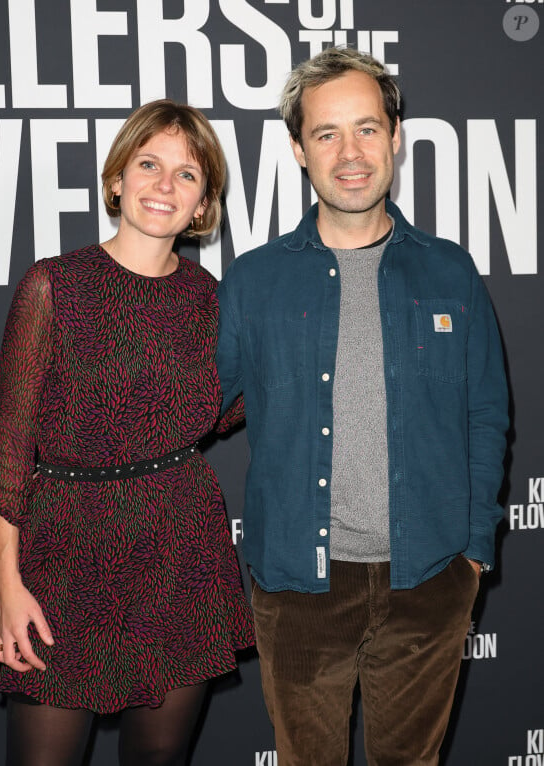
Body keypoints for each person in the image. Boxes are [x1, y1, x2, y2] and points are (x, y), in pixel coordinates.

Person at [216, 47, 508, 766]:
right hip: (298, 588)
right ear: (298, 150)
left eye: (367, 128)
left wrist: (471, 555)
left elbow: (486, 417)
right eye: (326, 134)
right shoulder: (253, 282)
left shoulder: (450, 270)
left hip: (429, 583)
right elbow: (192, 408)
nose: (350, 153)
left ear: (396, 134)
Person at [0, 99, 254, 766]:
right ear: (116, 180)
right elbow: (11, 443)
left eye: (186, 175)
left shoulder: (212, 299)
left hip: (179, 549)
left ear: (203, 204)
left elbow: (215, 412)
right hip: (66, 552)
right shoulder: (55, 285)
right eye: (149, 164)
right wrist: (6, 586)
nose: (164, 185)